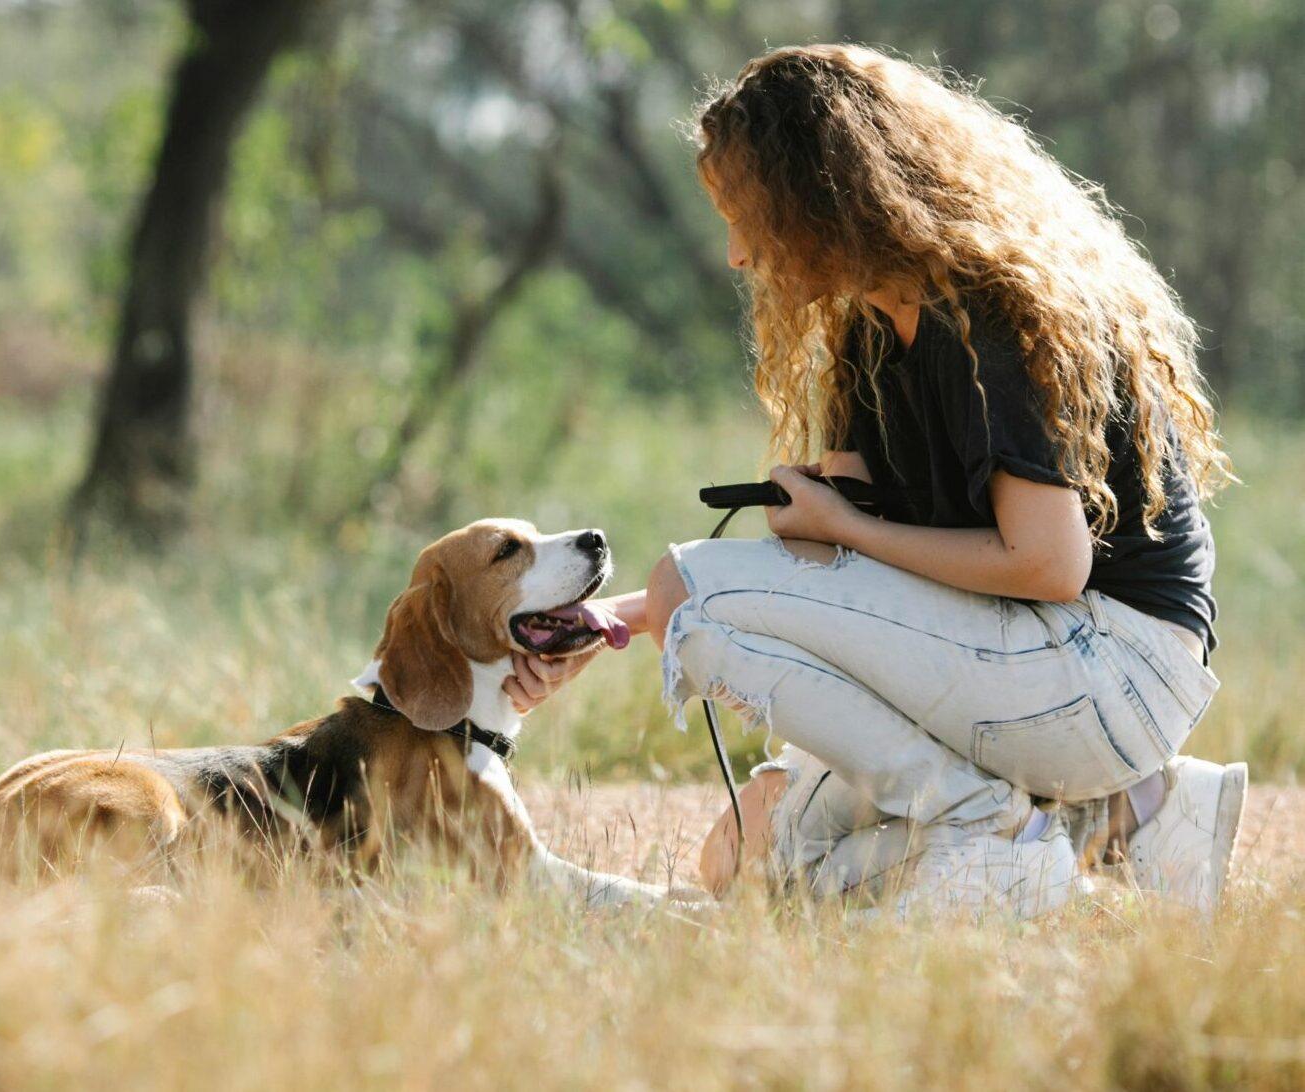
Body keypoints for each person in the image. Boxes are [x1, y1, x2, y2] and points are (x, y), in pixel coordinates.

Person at [504, 43, 1246, 919]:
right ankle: (1130, 822)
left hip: (1114, 668)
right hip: (1025, 655)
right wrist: (600, 623)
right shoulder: (871, 329)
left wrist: (838, 536)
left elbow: (1051, 565)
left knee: (696, 590)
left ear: (823, 197)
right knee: (749, 859)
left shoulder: (995, 317)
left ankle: (996, 836)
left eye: (749, 215)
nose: (738, 253)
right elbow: (870, 547)